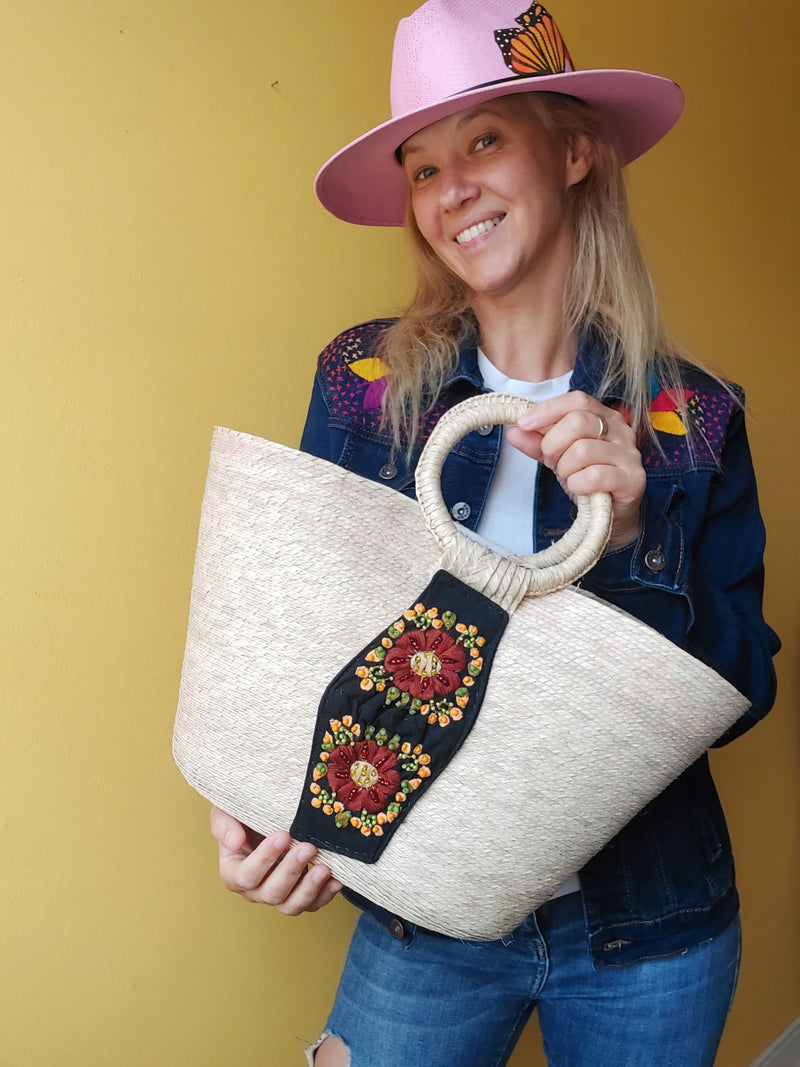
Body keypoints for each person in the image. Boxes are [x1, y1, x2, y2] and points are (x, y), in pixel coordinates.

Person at [209, 2, 780, 1064]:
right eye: (421, 167)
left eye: (482, 140)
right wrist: (263, 809)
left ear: (570, 152)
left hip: (648, 924)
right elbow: (305, 631)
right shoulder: (364, 384)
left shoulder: (693, 423)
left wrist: (638, 533)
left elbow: (744, 688)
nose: (450, 188)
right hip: (419, 910)